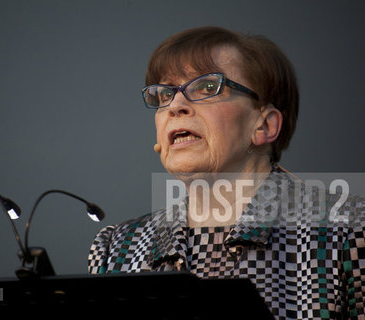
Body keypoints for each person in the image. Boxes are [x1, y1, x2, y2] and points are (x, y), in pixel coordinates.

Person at [87, 26, 365, 319]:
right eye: (164, 94)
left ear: (265, 125)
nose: (176, 106)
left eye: (207, 87)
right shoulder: (116, 249)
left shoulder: (348, 233)